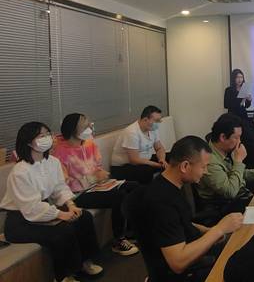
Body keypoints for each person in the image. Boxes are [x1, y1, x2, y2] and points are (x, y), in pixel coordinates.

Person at [0, 122, 103, 282]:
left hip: (43, 210)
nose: (48, 138)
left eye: (48, 134)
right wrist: (61, 214)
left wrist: (70, 205)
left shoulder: (52, 162)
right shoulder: (20, 171)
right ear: (28, 142)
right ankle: (64, 276)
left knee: (84, 217)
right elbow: (31, 207)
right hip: (20, 221)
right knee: (62, 231)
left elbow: (59, 188)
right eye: (41, 136)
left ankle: (84, 263)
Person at [134, 135, 244, 282]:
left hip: (191, 252)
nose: (206, 172)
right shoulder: (161, 201)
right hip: (181, 273)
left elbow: (181, 222)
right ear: (185, 166)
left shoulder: (169, 184)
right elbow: (178, 263)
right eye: (203, 167)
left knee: (243, 249)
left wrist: (209, 231)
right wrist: (219, 229)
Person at [52, 113, 139, 256]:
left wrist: (101, 175)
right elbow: (63, 184)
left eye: (89, 124)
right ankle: (119, 240)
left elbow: (97, 166)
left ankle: (131, 230)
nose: (90, 128)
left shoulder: (89, 144)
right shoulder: (59, 153)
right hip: (77, 195)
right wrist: (92, 178)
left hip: (97, 186)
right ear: (73, 130)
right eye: (85, 126)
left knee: (134, 187)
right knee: (119, 196)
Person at [196, 113, 254, 222]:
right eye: (236, 137)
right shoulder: (209, 161)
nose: (239, 141)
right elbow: (230, 192)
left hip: (240, 195)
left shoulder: (224, 150)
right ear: (223, 137)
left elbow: (236, 174)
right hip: (225, 206)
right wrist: (238, 161)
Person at [111, 105, 168, 184]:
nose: (159, 123)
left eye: (159, 120)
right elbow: (134, 160)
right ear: (145, 120)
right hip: (123, 167)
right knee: (146, 170)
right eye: (157, 121)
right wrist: (157, 165)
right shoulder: (132, 132)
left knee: (172, 158)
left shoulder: (152, 129)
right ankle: (150, 190)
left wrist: (162, 160)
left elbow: (159, 148)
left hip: (144, 161)